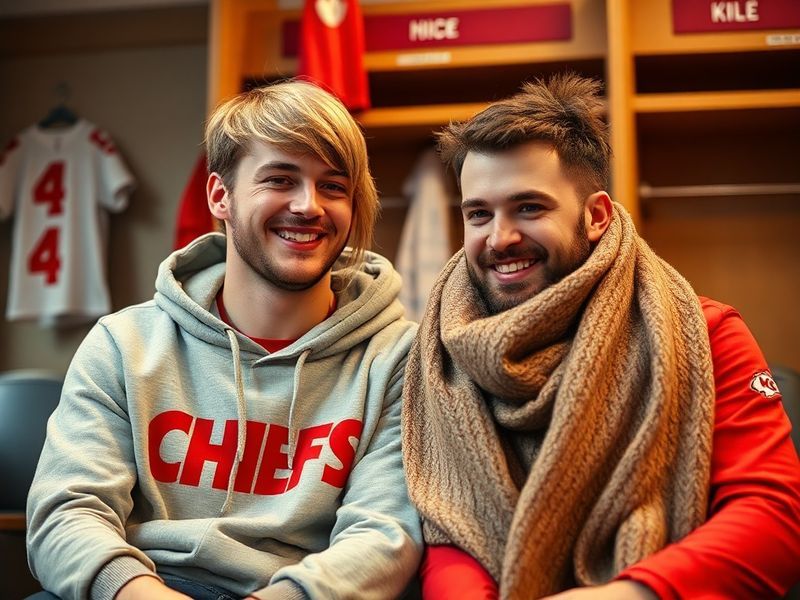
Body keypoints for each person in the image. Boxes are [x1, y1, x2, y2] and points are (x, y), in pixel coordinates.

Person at [401, 73, 800, 599]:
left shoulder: (707, 334)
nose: (499, 238)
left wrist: (629, 594)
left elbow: (772, 518)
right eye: (479, 214)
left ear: (595, 216)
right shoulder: (442, 353)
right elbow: (449, 526)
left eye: (529, 207)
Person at [26, 80, 422, 600]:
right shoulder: (124, 344)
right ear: (220, 196)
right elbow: (67, 510)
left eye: (333, 186)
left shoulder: (399, 357)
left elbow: (384, 532)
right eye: (280, 179)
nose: (308, 206)